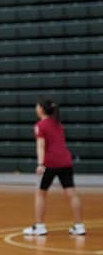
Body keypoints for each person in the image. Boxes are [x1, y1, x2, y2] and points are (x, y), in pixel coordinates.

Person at [23, 97, 85, 237]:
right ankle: (79, 226)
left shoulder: (40, 125)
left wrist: (40, 164)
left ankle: (39, 227)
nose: (35, 108)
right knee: (71, 193)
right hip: (65, 161)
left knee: (40, 193)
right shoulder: (58, 124)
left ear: (41, 109)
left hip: (50, 163)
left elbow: (41, 146)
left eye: (37, 106)